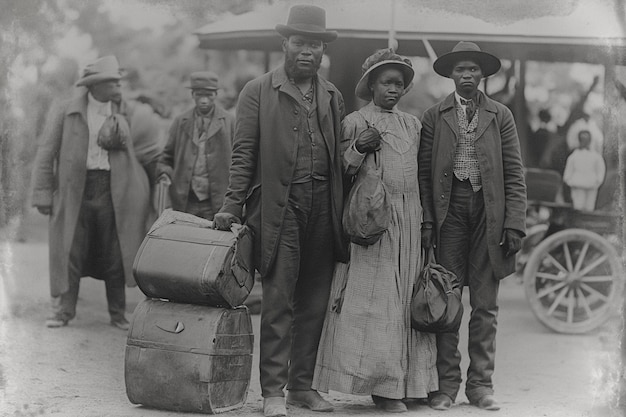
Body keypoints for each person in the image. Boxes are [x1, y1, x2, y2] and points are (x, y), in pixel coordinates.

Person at [212, 5, 347, 417]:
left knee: (314, 302)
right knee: (277, 301)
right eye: (300, 42)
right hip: (279, 208)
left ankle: (301, 388)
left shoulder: (331, 94)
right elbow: (243, 153)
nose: (307, 51)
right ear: (284, 44)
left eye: (315, 45)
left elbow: (340, 156)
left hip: (324, 207)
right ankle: (272, 391)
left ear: (323, 50)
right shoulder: (257, 91)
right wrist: (233, 205)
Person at [312, 49, 438, 413]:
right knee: (377, 301)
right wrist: (356, 149)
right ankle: (381, 388)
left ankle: (409, 383)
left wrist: (426, 220)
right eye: (386, 82)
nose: (394, 89)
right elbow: (336, 174)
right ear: (371, 85)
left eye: (399, 83)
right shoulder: (354, 121)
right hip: (373, 222)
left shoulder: (412, 125)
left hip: (410, 221)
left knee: (404, 303)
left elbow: (423, 176)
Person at [418, 41, 527, 411]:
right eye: (460, 70)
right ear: (451, 74)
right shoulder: (434, 116)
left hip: (489, 214)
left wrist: (514, 222)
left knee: (485, 304)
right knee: (446, 302)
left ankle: (480, 386)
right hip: (449, 214)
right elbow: (423, 174)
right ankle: (446, 386)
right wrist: (429, 221)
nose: (467, 76)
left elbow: (514, 171)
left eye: (473, 70)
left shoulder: (501, 115)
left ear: (483, 75)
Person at [31, 55, 160, 330]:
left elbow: (150, 151)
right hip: (75, 190)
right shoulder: (66, 110)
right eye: (112, 82)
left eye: (118, 81)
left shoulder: (127, 111)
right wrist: (43, 193)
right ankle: (63, 312)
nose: (117, 86)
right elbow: (46, 152)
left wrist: (159, 178)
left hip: (114, 191)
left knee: (115, 254)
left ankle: (117, 314)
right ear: (94, 85)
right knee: (71, 252)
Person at [156, 71, 234, 220]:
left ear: (216, 95)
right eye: (199, 94)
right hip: (186, 201)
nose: (204, 100)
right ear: (192, 95)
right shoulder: (180, 121)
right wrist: (165, 172)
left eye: (209, 95)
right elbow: (166, 158)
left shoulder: (230, 122)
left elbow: (242, 161)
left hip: (217, 203)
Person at [562, 129, 606, 211]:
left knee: (589, 208)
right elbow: (568, 172)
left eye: (587, 139)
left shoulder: (596, 156)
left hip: (591, 186)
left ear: (590, 140)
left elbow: (601, 171)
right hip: (577, 187)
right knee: (578, 207)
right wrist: (571, 182)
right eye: (582, 139)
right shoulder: (574, 156)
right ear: (579, 140)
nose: (584, 141)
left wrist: (597, 182)